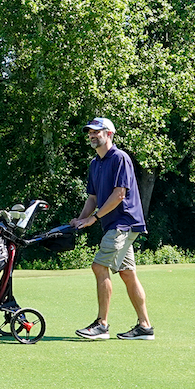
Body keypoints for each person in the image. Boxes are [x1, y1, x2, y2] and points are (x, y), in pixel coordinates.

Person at [69, 117, 154, 340]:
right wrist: (80, 219)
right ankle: (145, 327)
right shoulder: (95, 164)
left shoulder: (119, 158)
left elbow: (119, 195)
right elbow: (92, 197)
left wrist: (94, 218)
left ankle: (102, 325)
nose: (92, 135)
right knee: (127, 274)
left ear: (109, 134)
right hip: (115, 224)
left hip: (123, 223)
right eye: (90, 133)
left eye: (97, 132)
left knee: (99, 266)